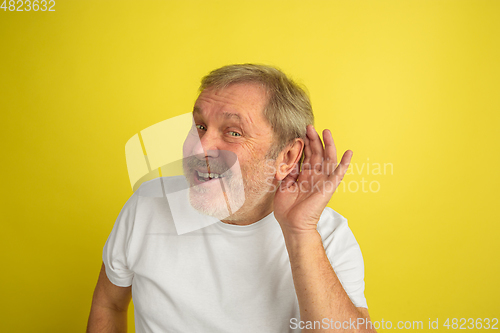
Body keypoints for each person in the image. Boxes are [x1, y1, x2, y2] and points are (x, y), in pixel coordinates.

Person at [87, 64, 376, 332]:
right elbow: (109, 304)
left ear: (286, 157)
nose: (199, 149)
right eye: (199, 126)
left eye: (233, 132)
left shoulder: (328, 235)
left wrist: (300, 232)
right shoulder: (147, 205)